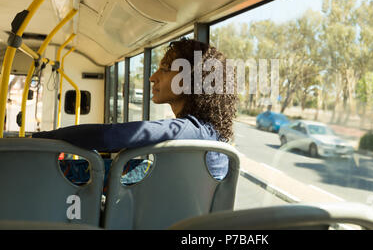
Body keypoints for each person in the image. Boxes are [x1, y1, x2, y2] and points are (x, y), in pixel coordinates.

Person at [33, 38, 237, 181]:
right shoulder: (208, 134)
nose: (152, 77)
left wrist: (44, 138)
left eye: (165, 69)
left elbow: (109, 137)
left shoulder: (187, 130)